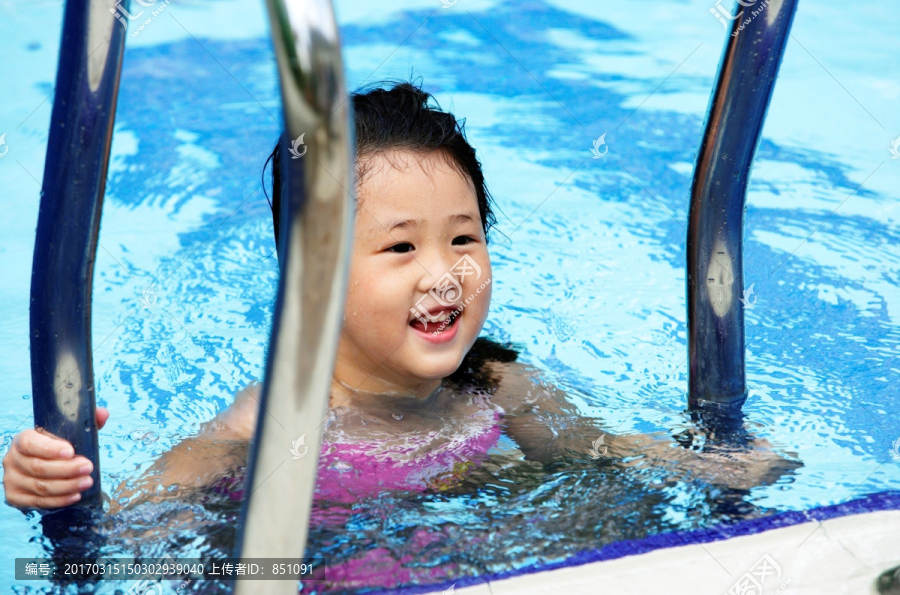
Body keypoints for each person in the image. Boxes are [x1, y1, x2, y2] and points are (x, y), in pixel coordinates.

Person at [2, 81, 800, 513]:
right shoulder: (273, 418)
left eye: (464, 238)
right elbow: (131, 531)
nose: (444, 274)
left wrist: (713, 468)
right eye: (400, 248)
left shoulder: (498, 384)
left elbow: (598, 455)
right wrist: (53, 491)